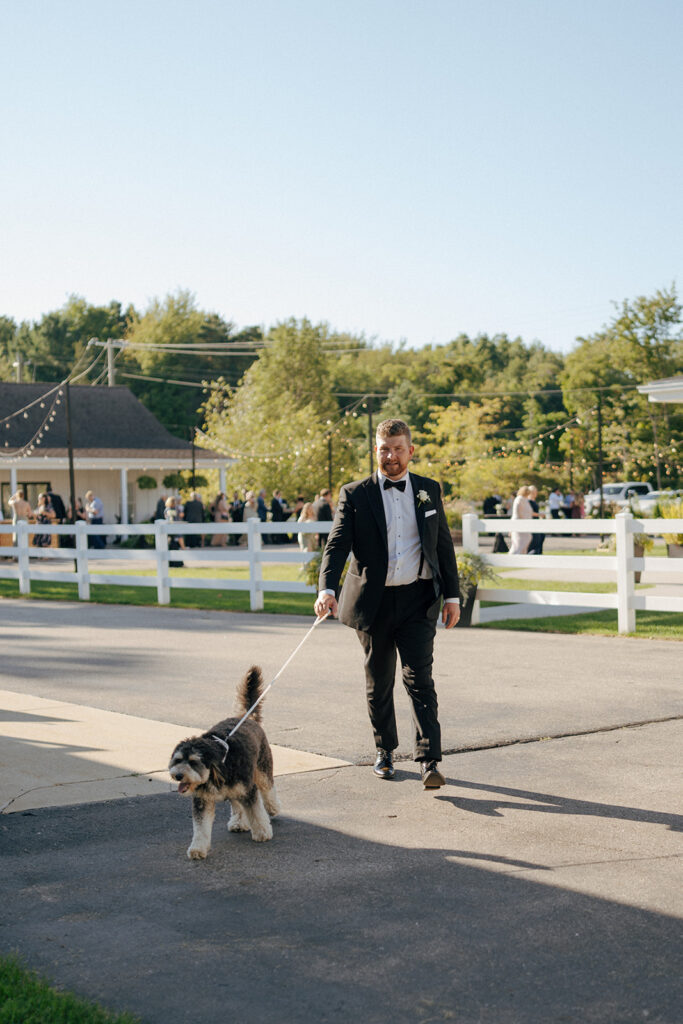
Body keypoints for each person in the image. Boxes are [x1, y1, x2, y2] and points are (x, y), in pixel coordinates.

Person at [314, 418, 460, 790]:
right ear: (375, 451)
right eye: (384, 449)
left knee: (419, 680)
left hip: (418, 599)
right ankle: (385, 751)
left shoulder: (429, 490)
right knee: (379, 681)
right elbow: (337, 545)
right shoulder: (355, 493)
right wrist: (326, 589)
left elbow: (442, 545)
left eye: (397, 448)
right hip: (373, 603)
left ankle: (430, 760)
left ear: (410, 451)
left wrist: (453, 595)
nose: (391, 456)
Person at [509, 485, 533, 554]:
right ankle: (513, 558)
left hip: (526, 524)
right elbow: (518, 512)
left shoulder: (525, 500)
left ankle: (522, 558)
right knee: (518, 543)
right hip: (520, 524)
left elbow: (529, 511)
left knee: (527, 540)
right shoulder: (519, 499)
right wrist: (523, 522)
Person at [526, 485, 545, 555]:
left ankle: (538, 553)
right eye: (535, 492)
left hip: (536, 522)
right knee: (536, 539)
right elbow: (530, 512)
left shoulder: (533, 501)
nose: (536, 493)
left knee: (541, 536)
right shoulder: (528, 501)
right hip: (532, 522)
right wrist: (539, 514)